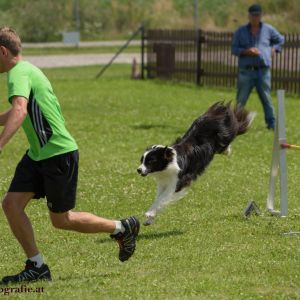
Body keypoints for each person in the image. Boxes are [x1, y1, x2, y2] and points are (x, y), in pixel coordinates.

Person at [0, 27, 140, 284]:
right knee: (11, 204)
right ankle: (37, 266)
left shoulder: (17, 73)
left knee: (62, 220)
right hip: (38, 155)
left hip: (57, 154)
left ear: (2, 51)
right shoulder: (27, 70)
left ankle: (122, 227)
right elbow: (21, 110)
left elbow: (20, 110)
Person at [232, 4, 284, 130]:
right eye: (253, 15)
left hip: (263, 71)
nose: (255, 18)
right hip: (246, 72)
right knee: (240, 100)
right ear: (249, 16)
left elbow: (281, 39)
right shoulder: (240, 31)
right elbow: (234, 49)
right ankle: (234, 125)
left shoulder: (268, 29)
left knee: (267, 99)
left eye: (258, 15)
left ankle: (271, 124)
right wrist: (247, 51)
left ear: (260, 16)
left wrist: (274, 49)